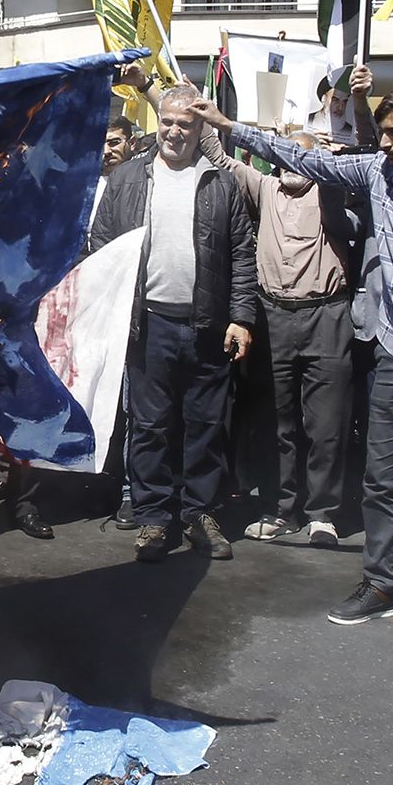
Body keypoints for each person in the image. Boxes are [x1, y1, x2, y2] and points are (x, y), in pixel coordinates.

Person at [193, 84, 393, 649]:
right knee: (381, 481)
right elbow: (301, 158)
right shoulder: (378, 173)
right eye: (380, 132)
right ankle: (380, 583)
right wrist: (228, 126)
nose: (384, 142)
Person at [86, 84, 255, 564]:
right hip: (148, 327)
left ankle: (200, 513)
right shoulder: (127, 180)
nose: (175, 131)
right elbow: (101, 244)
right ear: (156, 122)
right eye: (167, 122)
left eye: (185, 123)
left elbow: (242, 255)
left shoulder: (221, 184)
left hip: (207, 327)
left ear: (201, 128)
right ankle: (154, 519)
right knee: (150, 427)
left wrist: (241, 317)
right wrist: (114, 313)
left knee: (205, 426)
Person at [201, 119, 354, 547]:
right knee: (277, 422)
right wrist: (197, 108)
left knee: (326, 424)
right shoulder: (264, 188)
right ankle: (280, 509)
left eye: (298, 155)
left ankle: (322, 514)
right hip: (273, 317)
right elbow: (218, 155)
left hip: (326, 314)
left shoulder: (329, 189)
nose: (288, 164)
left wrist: (329, 149)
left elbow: (352, 157)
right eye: (283, 155)